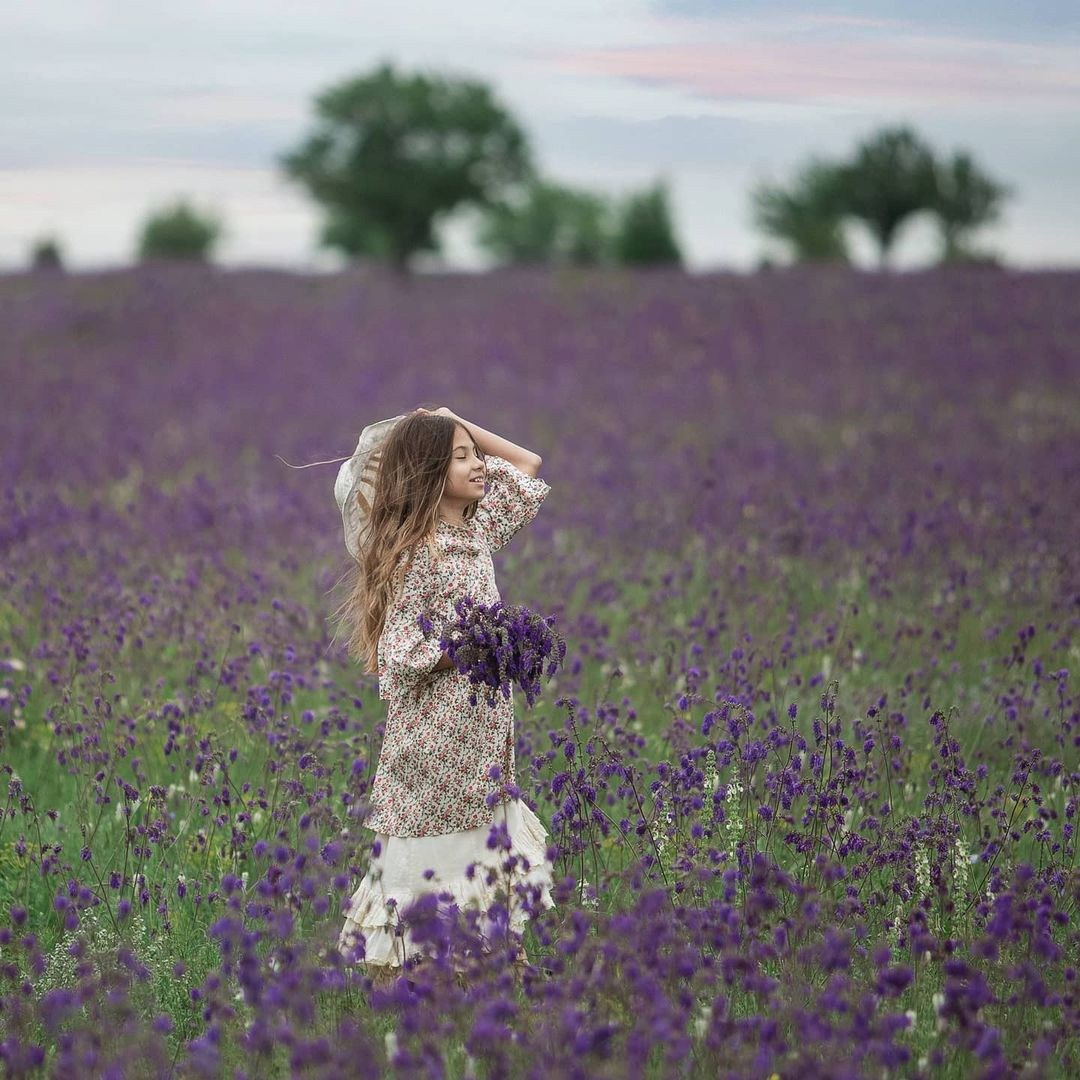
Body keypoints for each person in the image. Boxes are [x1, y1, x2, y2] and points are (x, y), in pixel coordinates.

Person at [331, 406, 556, 985]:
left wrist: (458, 420)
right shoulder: (417, 551)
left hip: (483, 742)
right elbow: (398, 649)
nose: (480, 464)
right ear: (430, 472)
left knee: (487, 869)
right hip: (433, 748)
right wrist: (467, 647)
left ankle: (496, 985)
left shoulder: (474, 531)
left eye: (474, 454)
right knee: (433, 874)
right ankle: (422, 997)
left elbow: (526, 465)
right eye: (461, 457)